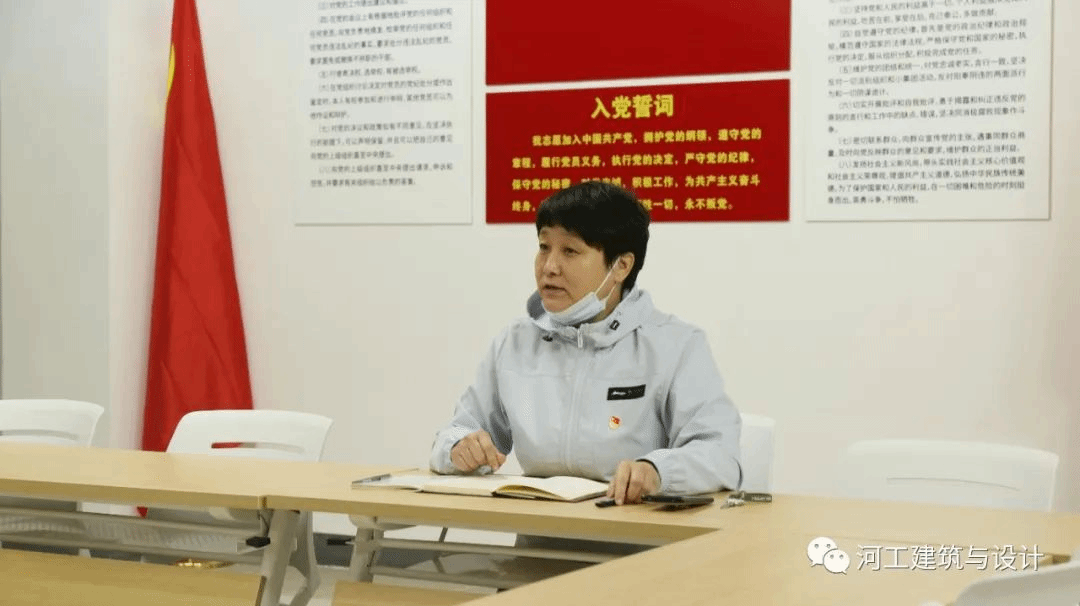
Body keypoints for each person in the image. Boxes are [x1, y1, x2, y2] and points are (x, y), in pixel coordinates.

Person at [429, 181, 742, 506]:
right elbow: (454, 434)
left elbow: (720, 455)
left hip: (638, 531)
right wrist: (458, 449)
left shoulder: (675, 345)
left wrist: (657, 471)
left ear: (621, 265)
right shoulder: (516, 343)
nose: (549, 267)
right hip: (540, 532)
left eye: (570, 251)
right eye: (544, 247)